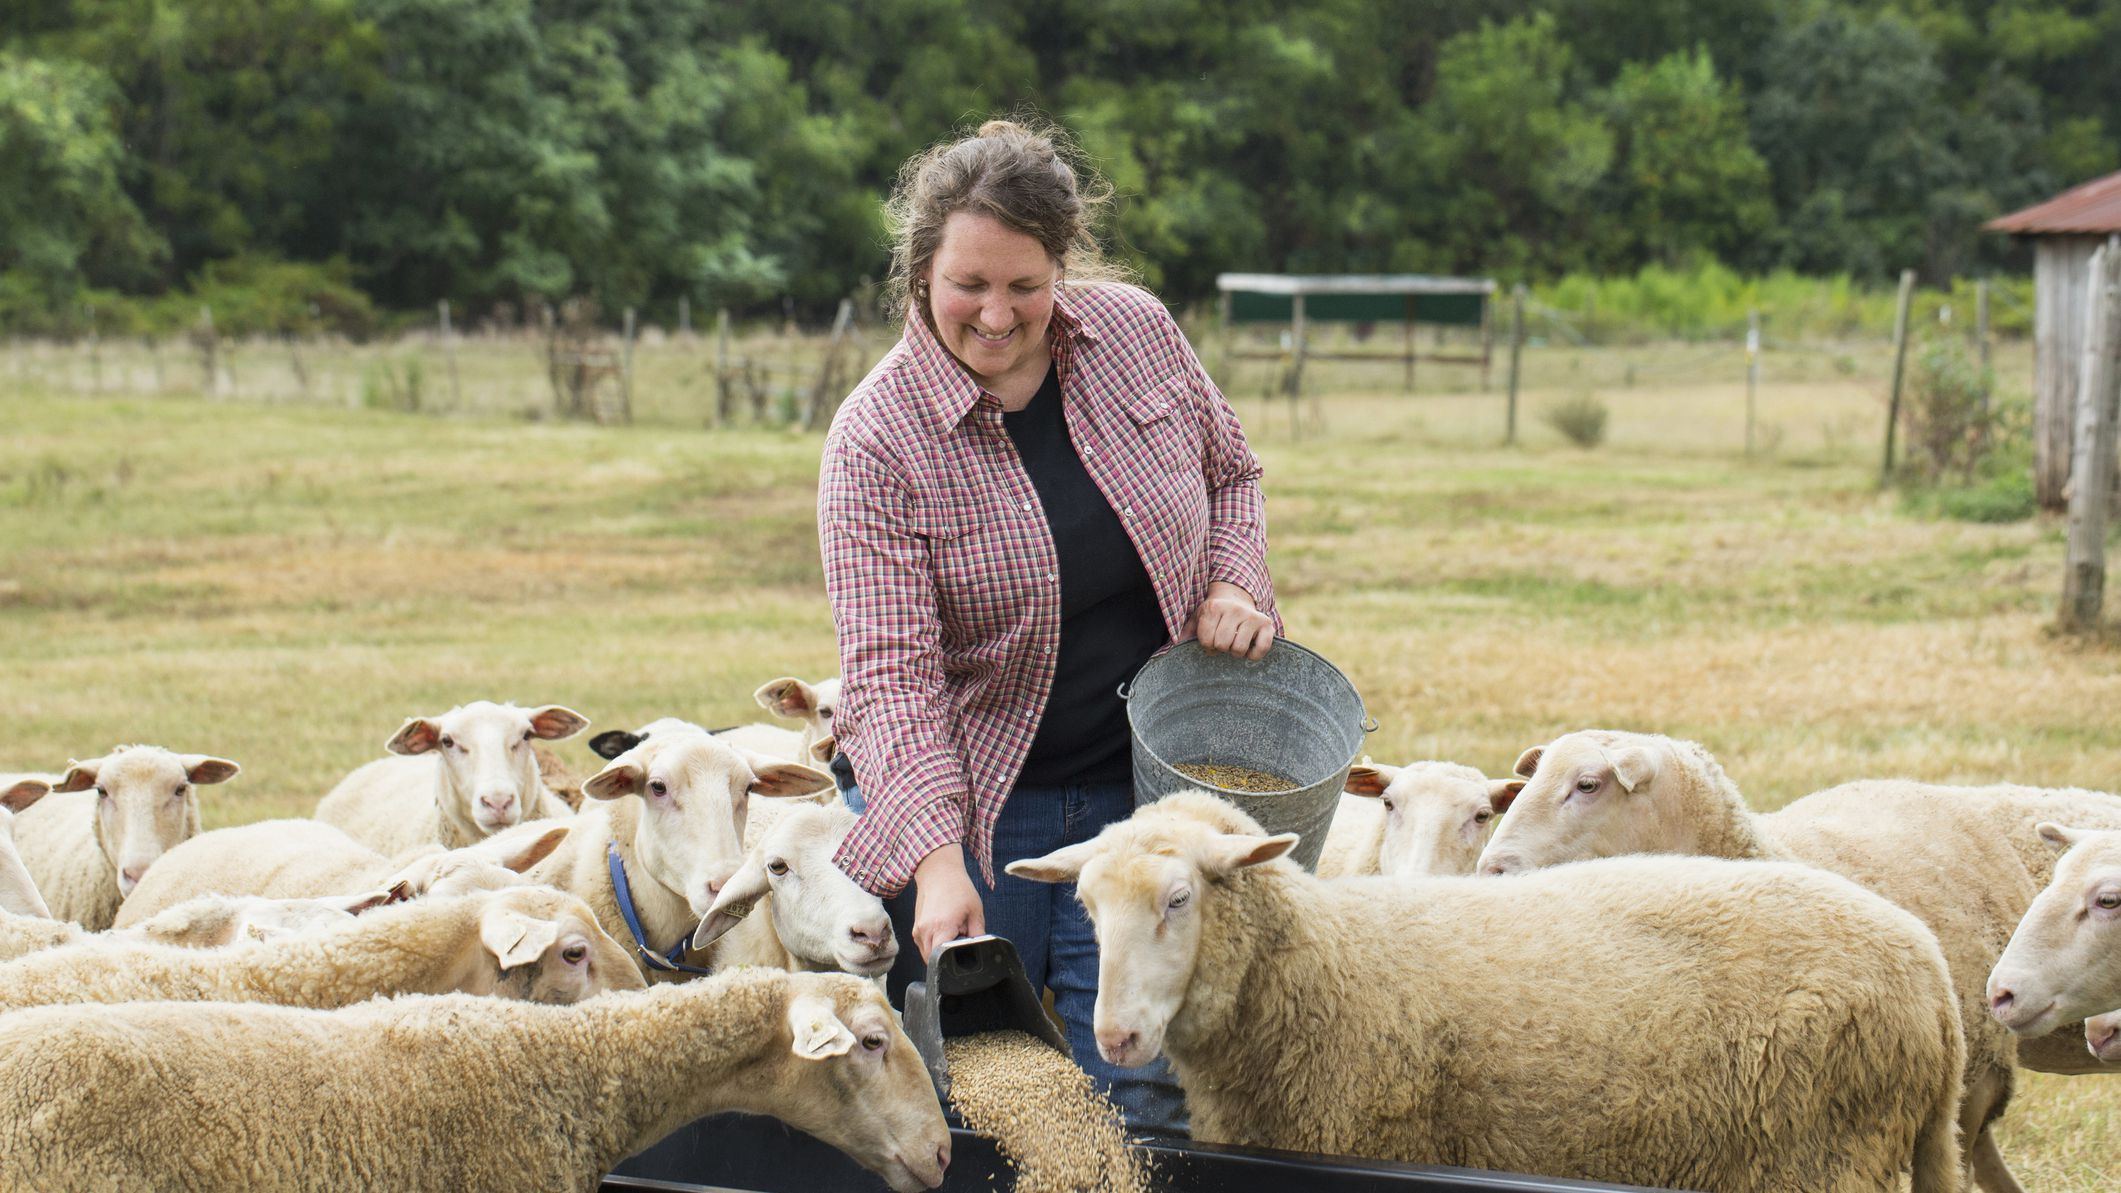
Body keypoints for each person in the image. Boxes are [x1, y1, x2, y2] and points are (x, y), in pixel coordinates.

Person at [816, 117, 1278, 1137]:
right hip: (985, 805)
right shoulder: (876, 441)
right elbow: (892, 678)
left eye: (1026, 286)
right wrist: (936, 861)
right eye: (967, 285)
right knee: (999, 1096)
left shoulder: (1137, 335)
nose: (995, 314)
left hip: (1146, 790)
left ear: (1061, 266)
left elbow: (1230, 474)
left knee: (1148, 1084)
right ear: (919, 272)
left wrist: (1233, 585)